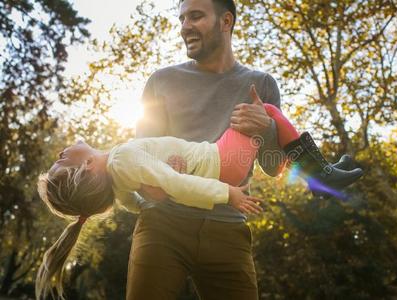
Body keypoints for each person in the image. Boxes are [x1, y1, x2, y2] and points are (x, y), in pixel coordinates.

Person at [35, 86, 362, 299]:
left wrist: (156, 192)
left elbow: (141, 201)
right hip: (219, 164)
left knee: (266, 129)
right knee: (266, 113)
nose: (61, 151)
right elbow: (177, 185)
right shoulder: (122, 158)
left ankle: (301, 170)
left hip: (218, 161)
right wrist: (226, 194)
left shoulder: (119, 181)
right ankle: (322, 174)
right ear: (87, 167)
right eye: (60, 160)